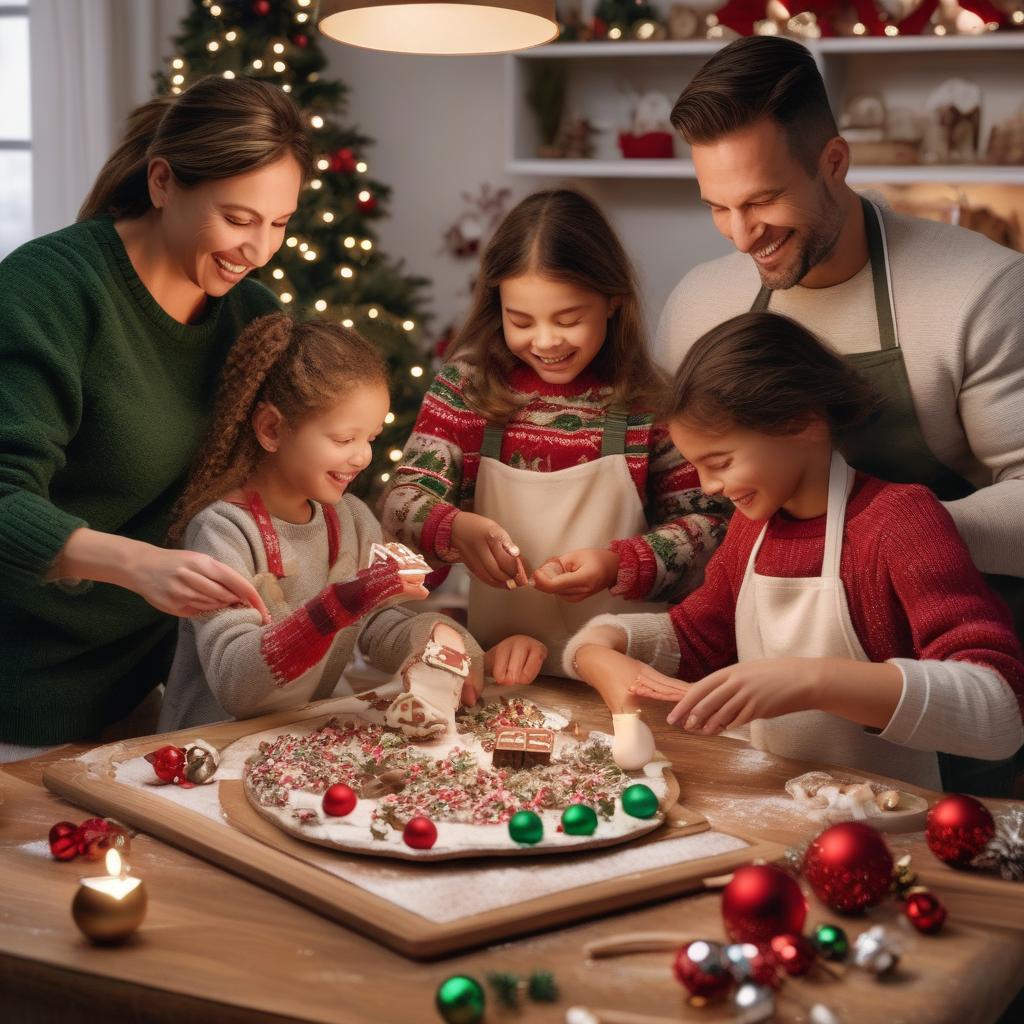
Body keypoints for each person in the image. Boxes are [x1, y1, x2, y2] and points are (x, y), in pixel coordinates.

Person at [563, 312, 1024, 791]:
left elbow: (998, 709)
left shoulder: (899, 521)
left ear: (800, 423)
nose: (710, 487)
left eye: (720, 462)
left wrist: (813, 681)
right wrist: (600, 648)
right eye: (697, 466)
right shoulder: (751, 529)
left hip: (887, 826)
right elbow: (693, 638)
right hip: (780, 807)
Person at [655, 36, 1024, 625]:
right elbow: (682, 492)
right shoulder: (700, 304)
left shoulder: (980, 291)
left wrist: (883, 535)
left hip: (952, 653)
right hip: (767, 653)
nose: (742, 236)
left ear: (833, 162)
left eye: (763, 200)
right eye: (717, 207)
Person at [0, 77, 311, 758]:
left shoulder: (251, 317)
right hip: (21, 701)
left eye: (280, 224)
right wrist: (140, 567)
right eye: (237, 218)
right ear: (164, 182)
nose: (259, 249)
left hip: (151, 695)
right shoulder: (48, 289)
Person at [381, 189, 727, 682]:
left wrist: (617, 564)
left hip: (625, 676)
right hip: (503, 673)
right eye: (520, 320)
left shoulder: (648, 402)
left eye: (569, 319)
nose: (545, 341)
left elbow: (712, 526)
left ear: (613, 301)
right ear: (495, 302)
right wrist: (452, 528)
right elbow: (402, 503)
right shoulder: (469, 388)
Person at [159, 314, 482, 731]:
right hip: (206, 750)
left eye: (371, 439)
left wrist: (435, 638)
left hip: (293, 742)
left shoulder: (350, 519)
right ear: (272, 428)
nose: (362, 457)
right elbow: (238, 686)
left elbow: (377, 624)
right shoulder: (222, 531)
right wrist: (340, 603)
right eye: (344, 439)